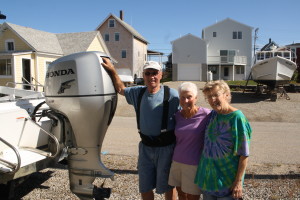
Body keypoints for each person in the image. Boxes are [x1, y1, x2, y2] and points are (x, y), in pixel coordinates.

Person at [101, 58, 179, 200]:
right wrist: (112, 70)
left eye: (154, 73)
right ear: (143, 76)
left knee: (168, 186)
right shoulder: (138, 93)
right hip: (145, 148)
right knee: (145, 186)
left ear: (161, 74)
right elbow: (120, 89)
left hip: (166, 148)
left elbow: (185, 115)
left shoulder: (172, 95)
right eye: (148, 73)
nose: (151, 77)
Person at [194, 80, 252, 200]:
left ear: (226, 94)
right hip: (208, 181)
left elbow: (244, 154)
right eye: (209, 96)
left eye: (216, 95)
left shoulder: (237, 118)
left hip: (227, 184)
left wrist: (238, 182)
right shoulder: (213, 115)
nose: (212, 99)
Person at [168, 82, 211, 200]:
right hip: (176, 161)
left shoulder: (207, 114)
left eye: (189, 97)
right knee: (180, 194)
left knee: (193, 196)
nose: (186, 100)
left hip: (194, 164)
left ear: (196, 98)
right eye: (183, 97)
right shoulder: (177, 116)